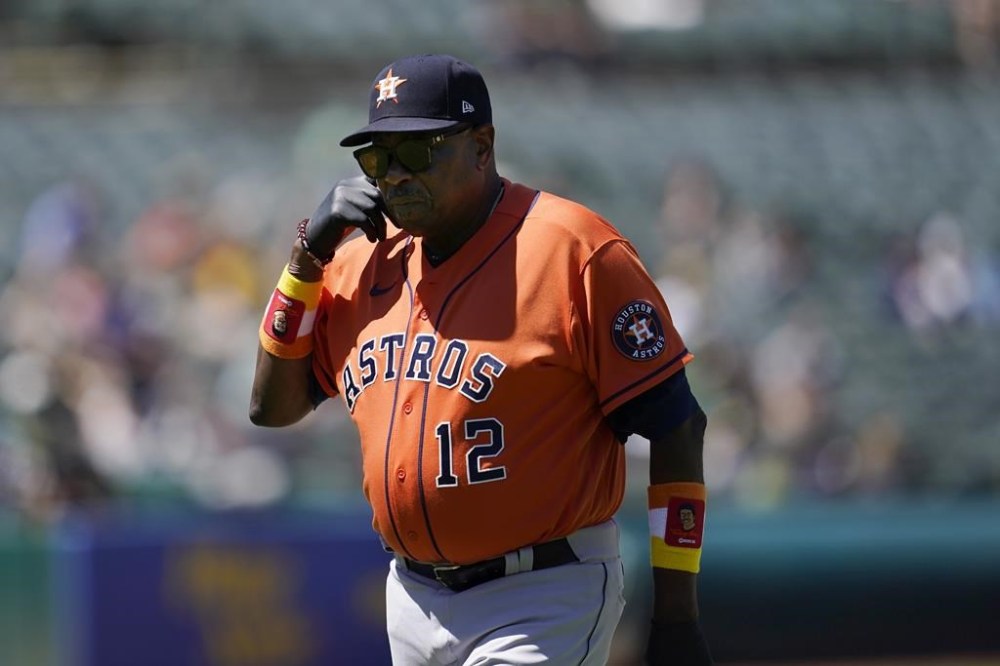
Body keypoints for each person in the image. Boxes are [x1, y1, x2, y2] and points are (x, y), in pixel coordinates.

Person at [250, 53, 713, 665]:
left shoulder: (573, 252)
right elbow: (271, 407)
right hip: (412, 597)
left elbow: (679, 424)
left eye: (418, 150)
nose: (394, 176)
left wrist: (677, 615)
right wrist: (305, 260)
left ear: (481, 145)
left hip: (543, 589)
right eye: (376, 157)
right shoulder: (359, 262)